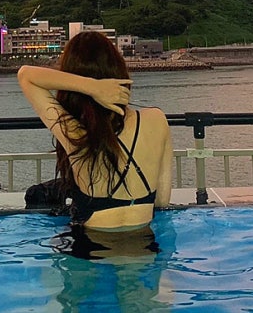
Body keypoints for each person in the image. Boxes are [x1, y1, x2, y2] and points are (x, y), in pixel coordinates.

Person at [18, 30, 172, 234]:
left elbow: (25, 75)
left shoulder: (75, 133)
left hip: (89, 250)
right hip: (144, 246)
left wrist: (92, 87)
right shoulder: (156, 120)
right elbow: (162, 200)